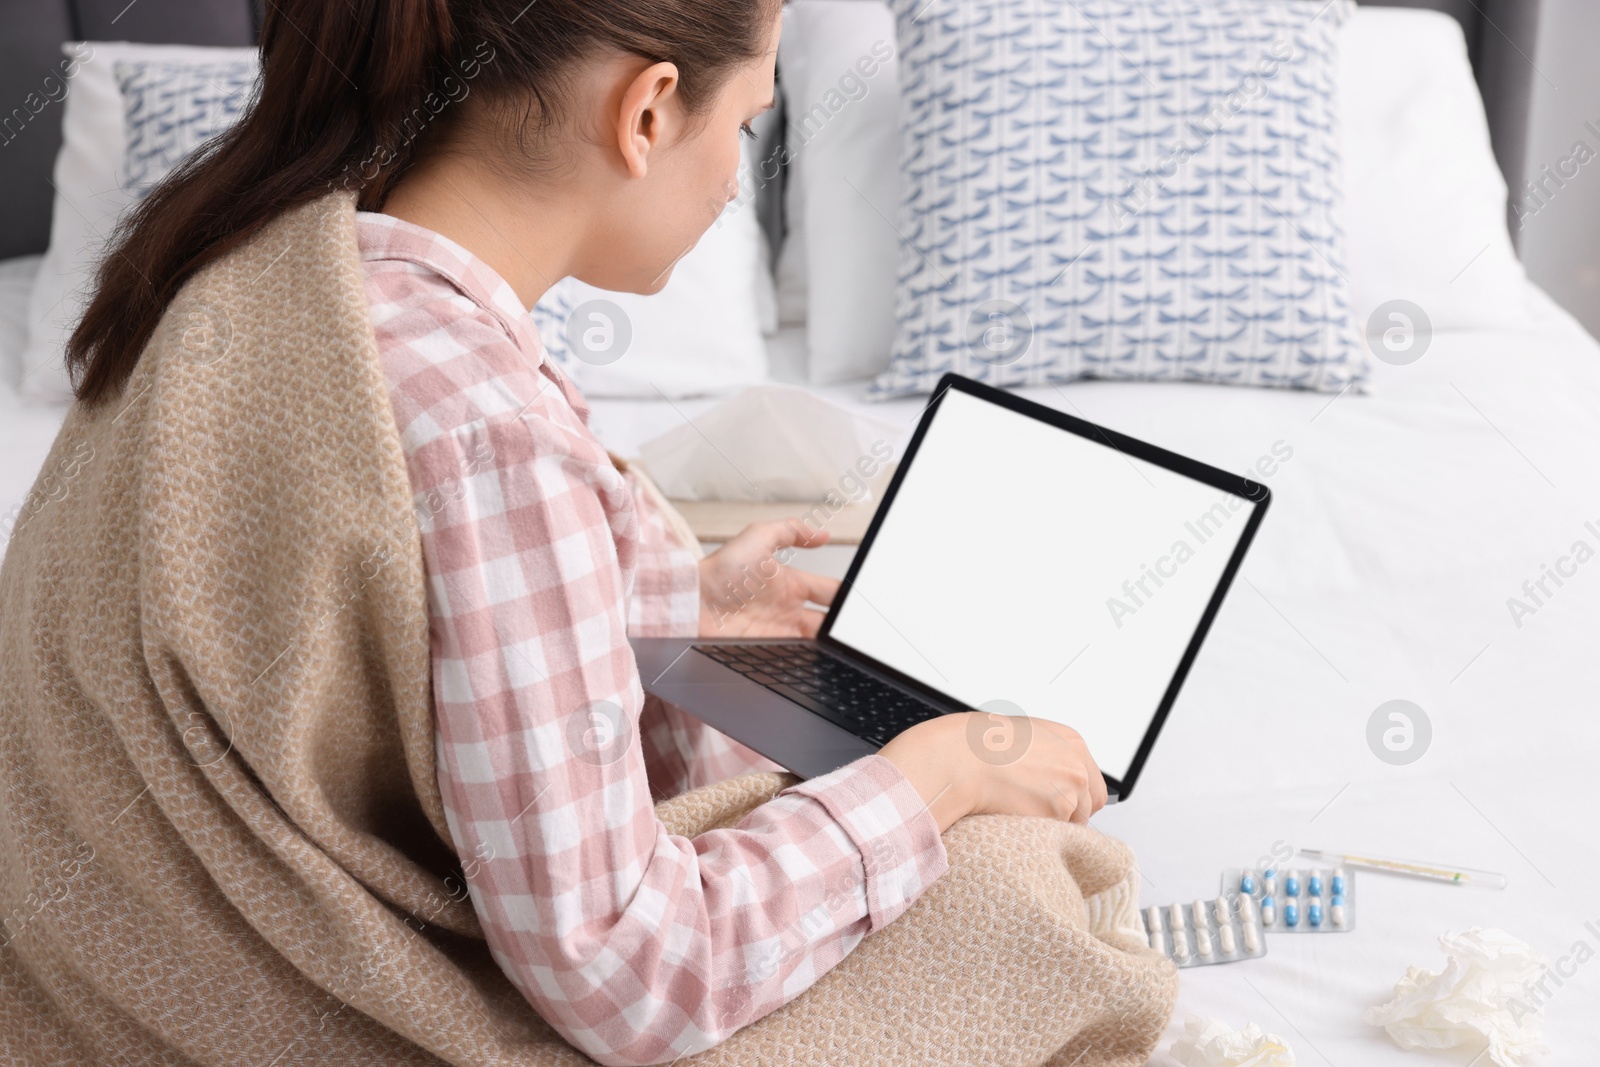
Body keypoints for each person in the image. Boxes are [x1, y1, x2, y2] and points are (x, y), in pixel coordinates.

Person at [60, 1, 1108, 1062]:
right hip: (260, 1009)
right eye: (746, 127)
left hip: (97, 951)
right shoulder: (494, 432)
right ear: (648, 111)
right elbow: (631, 978)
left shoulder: (255, 258)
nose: (738, 179)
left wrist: (667, 600)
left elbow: (356, 600)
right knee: (1008, 878)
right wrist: (943, 775)